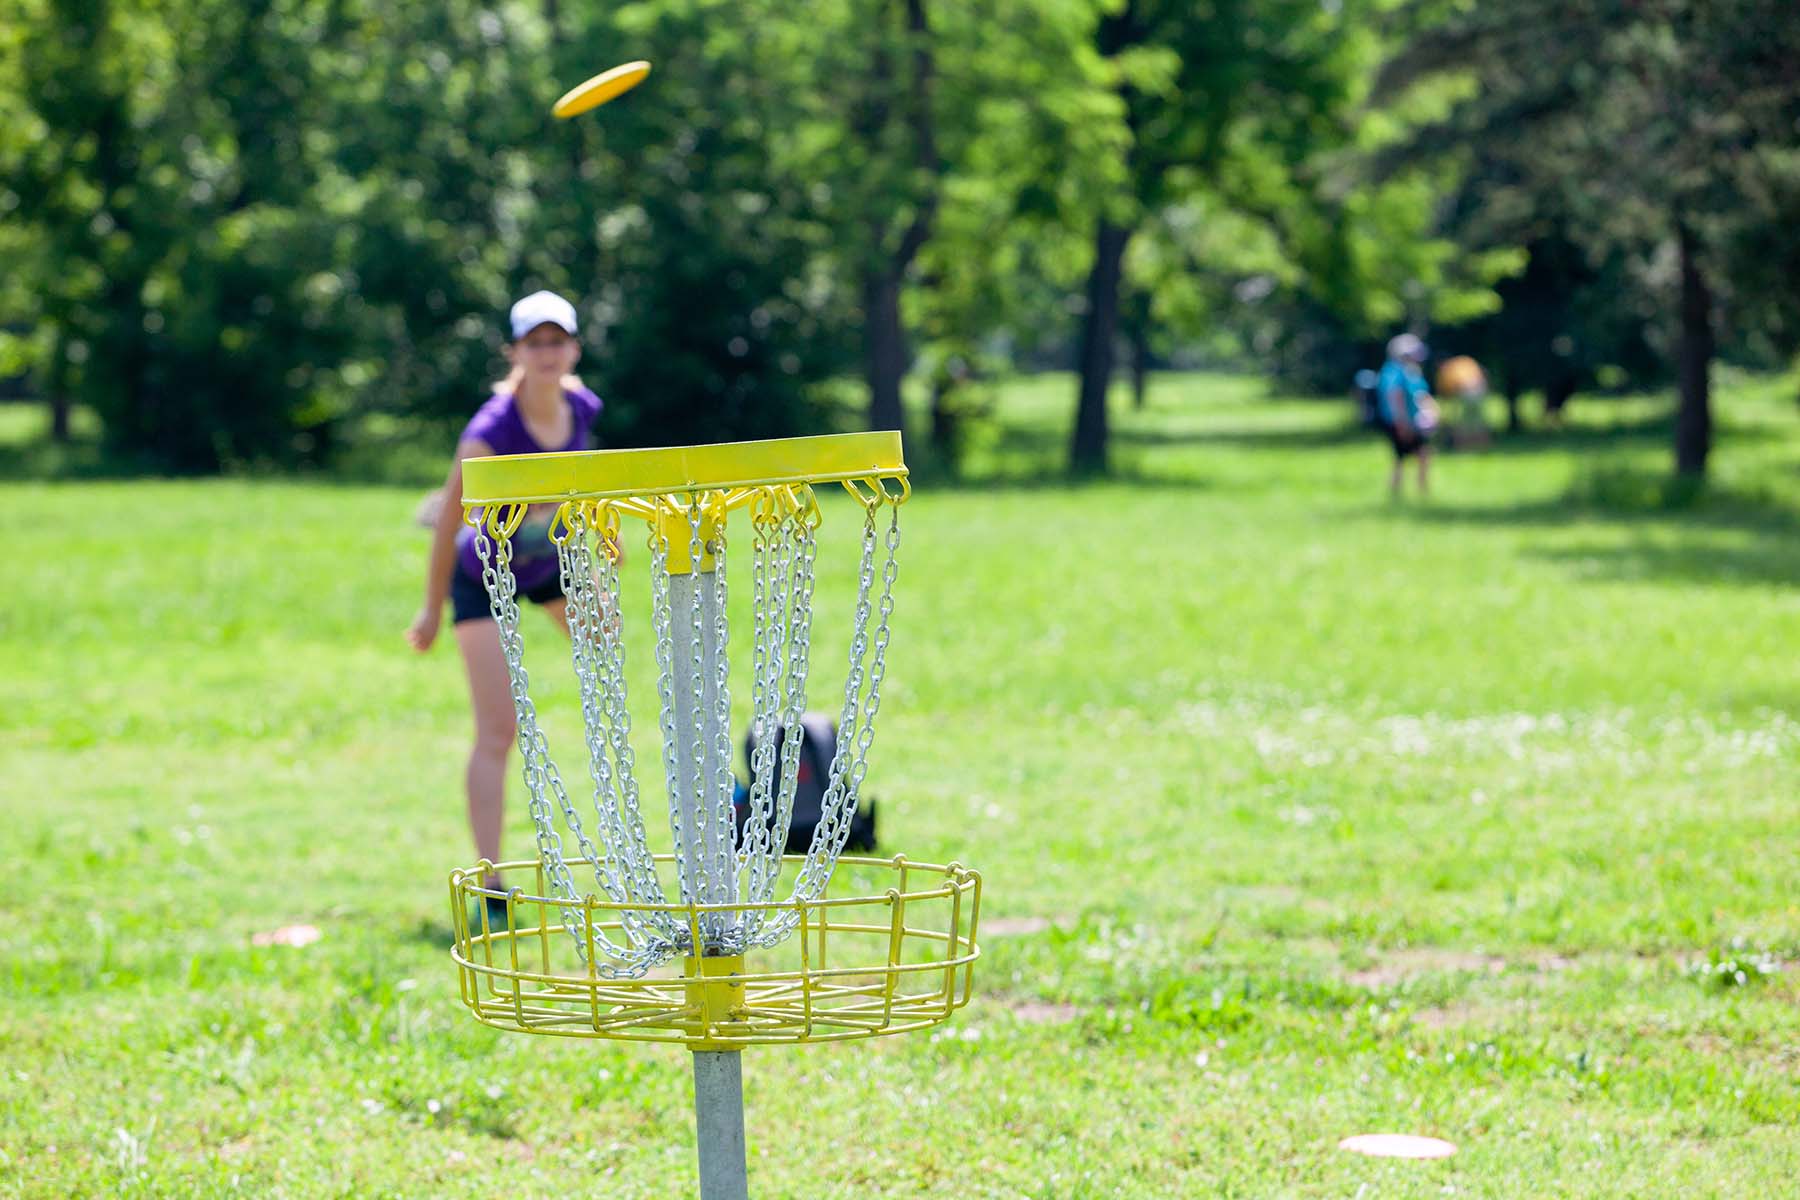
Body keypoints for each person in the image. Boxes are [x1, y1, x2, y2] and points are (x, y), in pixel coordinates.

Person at [405, 290, 602, 915]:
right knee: (500, 730)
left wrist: (602, 552)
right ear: (515, 352)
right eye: (534, 343)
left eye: (557, 341)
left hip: (549, 562)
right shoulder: (491, 430)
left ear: (573, 348)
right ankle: (490, 883)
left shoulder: (581, 407)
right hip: (483, 574)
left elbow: (585, 485)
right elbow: (448, 523)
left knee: (610, 649)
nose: (547, 353)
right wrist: (432, 610)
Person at [1375, 333, 1439, 496]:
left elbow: (1421, 394)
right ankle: (1410, 491)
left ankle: (1410, 490)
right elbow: (1395, 397)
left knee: (1410, 456)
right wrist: (1402, 422)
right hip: (1400, 422)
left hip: (1411, 421)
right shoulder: (1394, 371)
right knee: (1407, 456)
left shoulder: (1410, 371)